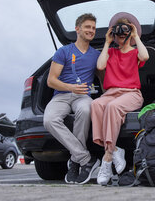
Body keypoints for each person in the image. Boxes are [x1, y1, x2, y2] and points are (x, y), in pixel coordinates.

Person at [91, 12, 149, 185]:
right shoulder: (111, 52)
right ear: (114, 35)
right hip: (111, 93)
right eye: (118, 33)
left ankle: (107, 158)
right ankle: (116, 150)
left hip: (131, 94)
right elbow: (100, 65)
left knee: (112, 107)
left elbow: (145, 56)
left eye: (125, 32)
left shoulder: (135, 53)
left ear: (130, 34)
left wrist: (135, 36)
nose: (121, 35)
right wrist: (107, 42)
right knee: (95, 105)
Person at [43, 13, 101, 184]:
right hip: (61, 95)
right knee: (49, 120)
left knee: (85, 109)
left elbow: (105, 78)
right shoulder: (64, 51)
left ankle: (75, 162)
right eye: (88, 27)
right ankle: (84, 159)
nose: (91, 30)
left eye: (93, 28)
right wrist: (71, 87)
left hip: (83, 97)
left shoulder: (95, 55)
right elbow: (51, 80)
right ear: (78, 29)